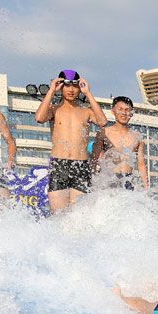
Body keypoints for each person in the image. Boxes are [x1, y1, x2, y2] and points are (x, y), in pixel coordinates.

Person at [34, 69, 108, 213]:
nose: (71, 90)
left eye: (75, 86)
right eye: (67, 86)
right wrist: (51, 91)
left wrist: (88, 93)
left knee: (79, 216)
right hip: (59, 164)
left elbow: (103, 121)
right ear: (61, 87)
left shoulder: (86, 111)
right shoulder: (54, 110)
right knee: (58, 214)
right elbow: (39, 118)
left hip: (81, 165)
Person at [90, 95, 148, 191]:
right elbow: (94, 159)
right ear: (113, 111)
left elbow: (141, 163)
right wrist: (92, 180)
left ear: (132, 113)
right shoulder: (104, 133)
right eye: (120, 109)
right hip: (109, 179)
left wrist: (146, 186)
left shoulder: (137, 136)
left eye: (127, 110)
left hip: (128, 180)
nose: (124, 113)